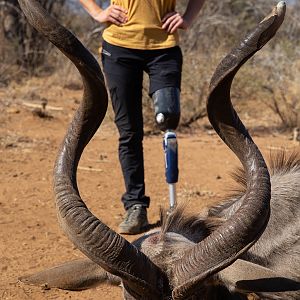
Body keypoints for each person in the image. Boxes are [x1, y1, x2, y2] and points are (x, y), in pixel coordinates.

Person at [79, 0, 206, 234]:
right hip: (119, 47)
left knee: (167, 118)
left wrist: (187, 18)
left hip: (164, 48)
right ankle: (136, 206)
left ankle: (172, 208)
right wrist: (98, 12)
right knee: (129, 131)